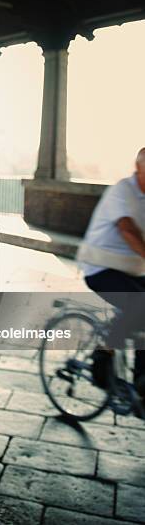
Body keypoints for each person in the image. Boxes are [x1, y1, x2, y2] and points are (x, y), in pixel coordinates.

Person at [77, 147, 145, 396]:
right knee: (139, 304)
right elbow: (128, 230)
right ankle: (102, 355)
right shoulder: (122, 191)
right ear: (138, 168)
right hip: (101, 267)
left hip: (132, 271)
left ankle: (141, 381)